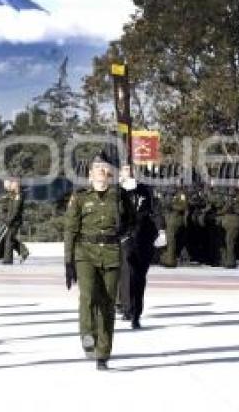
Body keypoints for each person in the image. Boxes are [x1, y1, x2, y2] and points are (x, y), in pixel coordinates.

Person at [64, 151, 133, 370]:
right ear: (90, 173)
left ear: (110, 173)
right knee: (88, 296)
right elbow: (70, 229)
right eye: (97, 168)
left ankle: (103, 353)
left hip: (111, 251)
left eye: (105, 168)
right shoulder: (80, 196)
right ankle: (87, 335)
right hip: (85, 253)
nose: (102, 171)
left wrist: (125, 231)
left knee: (108, 304)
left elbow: (133, 220)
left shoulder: (120, 196)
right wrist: (68, 262)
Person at [117, 164, 159, 329]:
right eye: (126, 169)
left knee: (139, 276)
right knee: (127, 273)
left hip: (144, 237)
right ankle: (127, 308)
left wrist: (160, 231)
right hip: (125, 237)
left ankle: (136, 312)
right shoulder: (117, 192)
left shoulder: (146, 190)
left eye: (132, 169)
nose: (130, 172)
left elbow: (155, 211)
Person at [0, 178, 29, 264]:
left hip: (15, 221)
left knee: (9, 239)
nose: (10, 186)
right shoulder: (13, 195)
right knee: (10, 238)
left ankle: (8, 259)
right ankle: (24, 251)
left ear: (16, 186)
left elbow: (15, 211)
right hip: (12, 220)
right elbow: (3, 200)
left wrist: (9, 220)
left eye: (12, 185)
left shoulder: (18, 196)